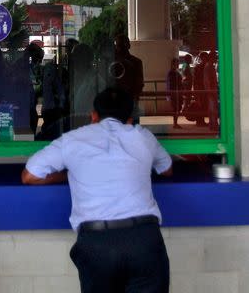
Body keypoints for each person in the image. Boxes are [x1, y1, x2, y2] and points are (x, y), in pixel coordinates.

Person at [22, 87, 172, 293]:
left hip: (97, 243)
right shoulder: (144, 137)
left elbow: (30, 175)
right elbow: (167, 169)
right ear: (130, 119)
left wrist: (70, 173)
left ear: (93, 116)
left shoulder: (73, 139)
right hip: (144, 240)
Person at [111, 35, 145, 123]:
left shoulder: (135, 62)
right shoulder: (112, 63)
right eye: (118, 46)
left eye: (121, 45)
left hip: (128, 104)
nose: (119, 49)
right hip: (121, 104)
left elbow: (139, 85)